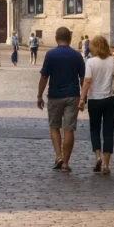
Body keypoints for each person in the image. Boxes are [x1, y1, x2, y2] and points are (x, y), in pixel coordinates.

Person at [37, 27, 85, 172]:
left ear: (56, 38)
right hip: (72, 95)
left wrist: (39, 95)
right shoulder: (77, 55)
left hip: (55, 95)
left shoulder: (51, 54)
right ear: (70, 39)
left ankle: (58, 155)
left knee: (54, 126)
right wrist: (83, 97)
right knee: (69, 129)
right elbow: (83, 78)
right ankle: (65, 163)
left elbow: (44, 76)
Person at [79, 35, 114, 175]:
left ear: (95, 47)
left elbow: (87, 81)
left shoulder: (90, 62)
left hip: (95, 100)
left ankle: (97, 156)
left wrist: (82, 98)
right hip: (111, 99)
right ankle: (106, 164)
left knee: (94, 129)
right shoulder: (113, 60)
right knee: (109, 132)